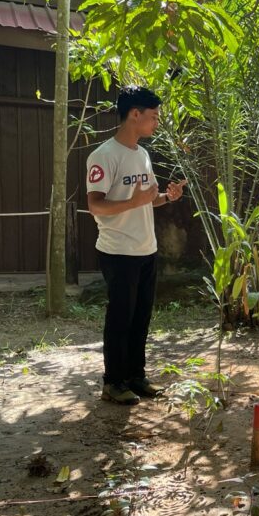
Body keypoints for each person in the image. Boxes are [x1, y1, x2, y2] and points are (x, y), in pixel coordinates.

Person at [86, 86, 186, 406]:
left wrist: (166, 198)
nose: (156, 123)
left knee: (141, 316)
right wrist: (136, 201)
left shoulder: (141, 154)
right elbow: (96, 206)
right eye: (153, 116)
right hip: (118, 251)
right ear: (134, 114)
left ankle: (136, 376)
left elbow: (147, 200)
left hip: (146, 249)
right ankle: (113, 382)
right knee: (120, 318)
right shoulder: (103, 156)